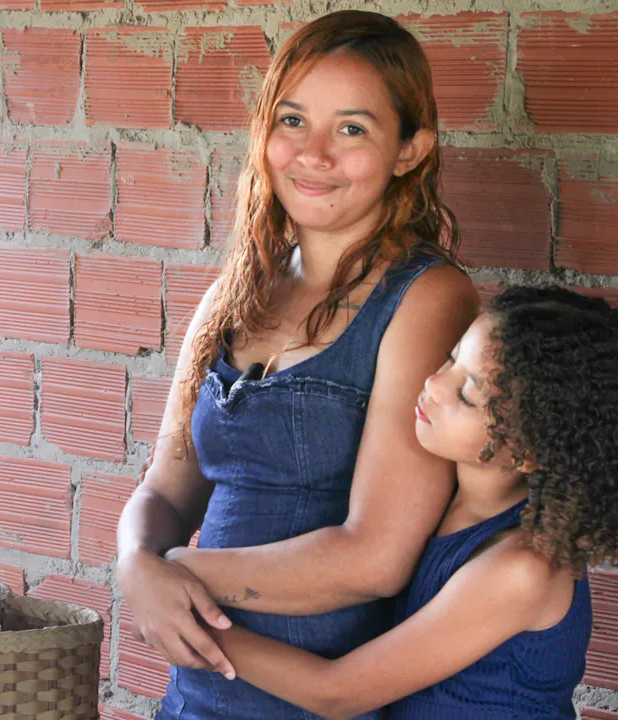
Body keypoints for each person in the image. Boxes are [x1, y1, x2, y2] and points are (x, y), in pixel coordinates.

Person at [114, 10, 480, 719]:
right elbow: (166, 486)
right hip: (196, 696)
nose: (312, 154)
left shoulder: (428, 297)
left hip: (314, 700)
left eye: (351, 128)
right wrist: (135, 561)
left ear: (410, 149)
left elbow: (374, 557)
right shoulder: (234, 292)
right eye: (291, 121)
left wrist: (177, 571)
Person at [167, 286, 616, 720]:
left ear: (529, 451)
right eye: (452, 356)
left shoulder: (522, 569)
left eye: (466, 396)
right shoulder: (443, 506)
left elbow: (337, 693)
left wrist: (183, 612)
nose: (435, 383)